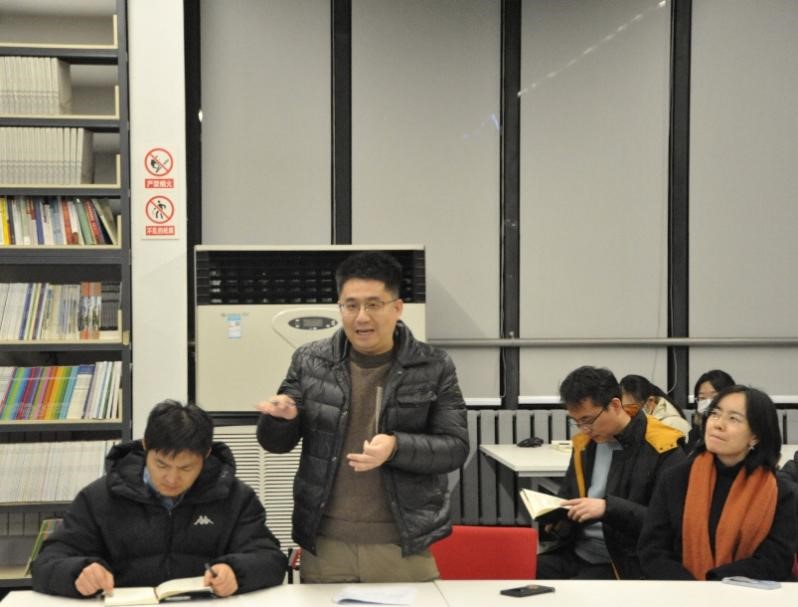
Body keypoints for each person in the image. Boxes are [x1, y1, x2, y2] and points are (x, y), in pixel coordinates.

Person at [256, 251, 468, 583]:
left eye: (374, 304)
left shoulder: (433, 365)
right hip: (326, 544)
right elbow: (275, 444)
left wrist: (396, 447)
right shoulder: (310, 360)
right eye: (351, 305)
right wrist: (281, 419)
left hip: (401, 544)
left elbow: (455, 448)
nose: (361, 317)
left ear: (397, 308)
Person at [32, 400, 287, 598]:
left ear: (206, 455)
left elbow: (271, 559)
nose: (172, 479)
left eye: (186, 468)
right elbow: (46, 564)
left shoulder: (235, 497)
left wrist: (236, 572)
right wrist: (78, 573)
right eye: (161, 464)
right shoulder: (99, 497)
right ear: (146, 446)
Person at [536, 366, 686, 580]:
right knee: (517, 571)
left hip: (625, 562)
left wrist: (608, 508)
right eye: (576, 422)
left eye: (588, 420)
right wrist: (556, 516)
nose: (584, 429)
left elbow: (670, 524)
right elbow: (569, 496)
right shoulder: (584, 444)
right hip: (575, 551)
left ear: (615, 405)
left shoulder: (663, 447)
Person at [638, 386, 797, 580]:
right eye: (715, 414)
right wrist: (691, 588)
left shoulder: (780, 492)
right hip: (681, 591)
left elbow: (776, 560)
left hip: (748, 592)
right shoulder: (675, 479)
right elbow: (652, 550)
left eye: (733, 418)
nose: (718, 424)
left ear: (755, 436)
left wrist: (714, 583)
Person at [620, 374, 690, 437]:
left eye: (630, 409)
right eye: (622, 408)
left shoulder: (671, 424)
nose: (625, 414)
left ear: (650, 402)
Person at [687, 370, 736, 449]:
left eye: (715, 397)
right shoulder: (695, 433)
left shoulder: (736, 430)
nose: (708, 403)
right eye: (702, 398)